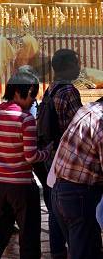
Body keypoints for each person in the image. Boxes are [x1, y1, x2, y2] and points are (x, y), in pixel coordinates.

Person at [0, 69, 51, 259]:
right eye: (32, 95)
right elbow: (31, 157)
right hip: (23, 188)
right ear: (19, 92)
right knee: (29, 239)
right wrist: (48, 152)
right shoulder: (26, 119)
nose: (33, 101)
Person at [35, 49, 82, 259]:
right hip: (66, 156)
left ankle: (56, 250)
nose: (79, 67)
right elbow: (80, 125)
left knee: (53, 206)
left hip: (49, 155)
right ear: (68, 66)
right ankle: (76, 248)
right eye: (76, 63)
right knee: (74, 208)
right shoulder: (68, 91)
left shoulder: (50, 89)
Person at [51, 97, 103, 259]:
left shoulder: (88, 109)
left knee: (85, 250)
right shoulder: (101, 122)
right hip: (79, 196)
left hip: (60, 190)